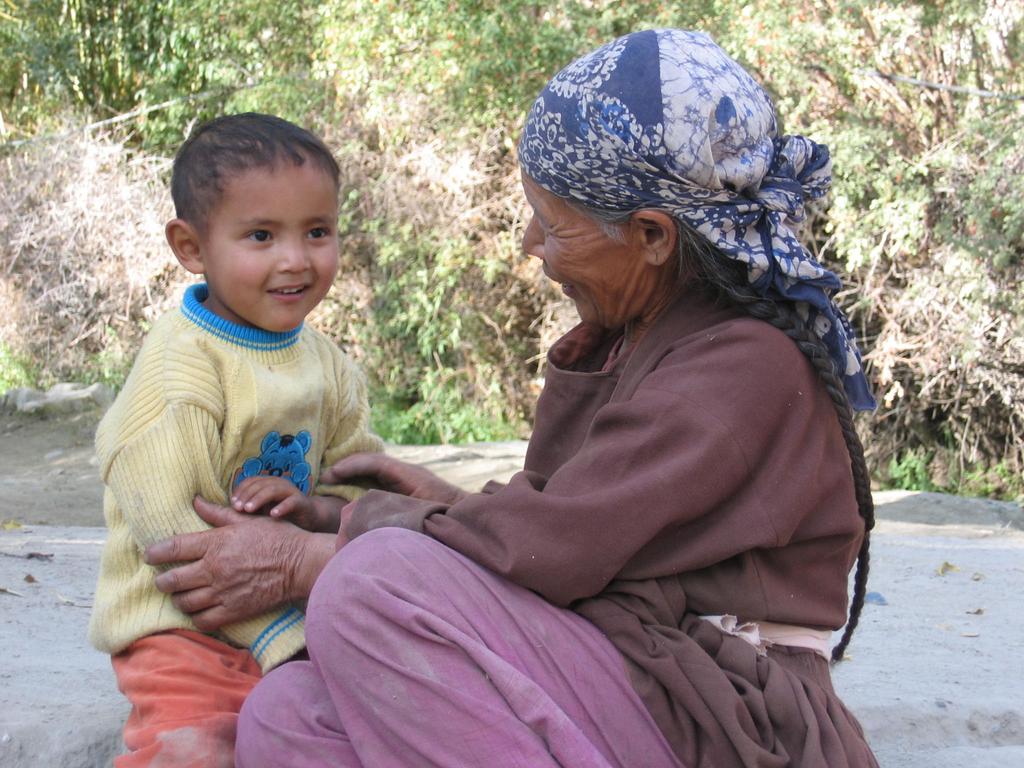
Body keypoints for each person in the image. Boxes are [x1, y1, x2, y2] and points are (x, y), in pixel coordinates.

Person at [146, 30, 880, 767]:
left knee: (369, 585)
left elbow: (560, 546)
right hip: (640, 678)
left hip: (721, 714)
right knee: (285, 717)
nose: (532, 243)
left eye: (552, 223)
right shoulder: (652, 339)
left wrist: (312, 558)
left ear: (652, 236)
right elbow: (578, 529)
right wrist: (412, 513)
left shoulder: (742, 366)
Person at [88, 112, 383, 768]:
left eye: (318, 232)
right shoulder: (181, 369)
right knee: (199, 747)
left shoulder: (326, 363)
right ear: (192, 248)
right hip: (181, 630)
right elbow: (175, 545)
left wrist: (319, 510)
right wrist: (281, 636)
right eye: (260, 235)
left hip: (293, 612)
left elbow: (360, 477)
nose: (295, 260)